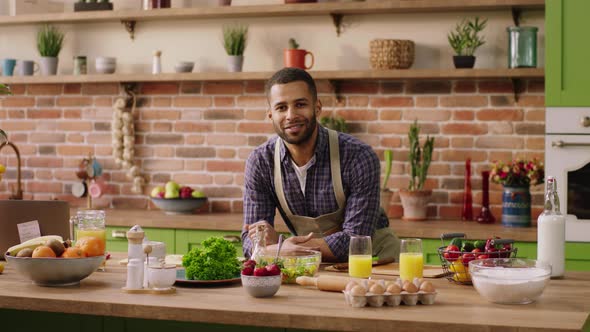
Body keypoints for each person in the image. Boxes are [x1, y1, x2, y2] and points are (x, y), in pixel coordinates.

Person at [241, 67, 400, 263]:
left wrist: (280, 247)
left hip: (374, 261)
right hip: (309, 266)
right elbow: (250, 242)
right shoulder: (261, 163)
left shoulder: (358, 156)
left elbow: (356, 240)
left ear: (317, 107)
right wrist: (267, 244)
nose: (291, 115)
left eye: (300, 104)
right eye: (281, 107)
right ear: (270, 115)